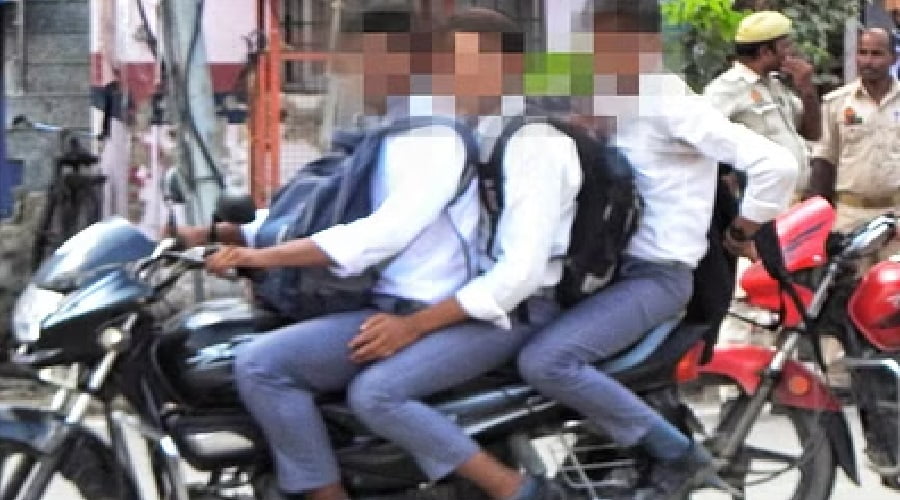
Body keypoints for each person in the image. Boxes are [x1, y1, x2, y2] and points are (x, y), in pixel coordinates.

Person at [209, 7, 580, 500]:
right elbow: (330, 209)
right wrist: (236, 235)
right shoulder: (409, 129)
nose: (350, 72)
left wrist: (265, 260)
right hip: (411, 301)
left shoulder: (462, 137)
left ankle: (518, 491)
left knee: (273, 367)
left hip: (469, 309)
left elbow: (391, 232)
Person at [517, 2, 798, 499]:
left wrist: (741, 230)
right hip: (596, 272)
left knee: (549, 362)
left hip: (654, 276)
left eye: (609, 43)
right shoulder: (603, 95)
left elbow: (775, 165)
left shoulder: (670, 102)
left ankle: (679, 454)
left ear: (646, 45)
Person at [344, 9, 582, 500]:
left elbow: (519, 274)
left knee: (377, 393)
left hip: (517, 311)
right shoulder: (471, 131)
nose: (450, 77)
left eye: (465, 64)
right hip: (471, 302)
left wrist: (414, 325)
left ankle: (521, 492)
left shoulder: (532, 143)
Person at [806, 27, 900, 263]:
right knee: (849, 284)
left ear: (893, 58)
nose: (868, 61)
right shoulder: (836, 103)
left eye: (877, 54)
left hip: (896, 217)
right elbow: (824, 161)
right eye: (862, 52)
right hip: (850, 219)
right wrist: (815, 221)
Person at [704, 10, 821, 191]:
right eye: (785, 46)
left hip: (794, 198)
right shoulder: (725, 89)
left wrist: (807, 89)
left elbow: (812, 133)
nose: (790, 52)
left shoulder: (775, 84)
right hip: (760, 200)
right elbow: (704, 142)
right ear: (765, 52)